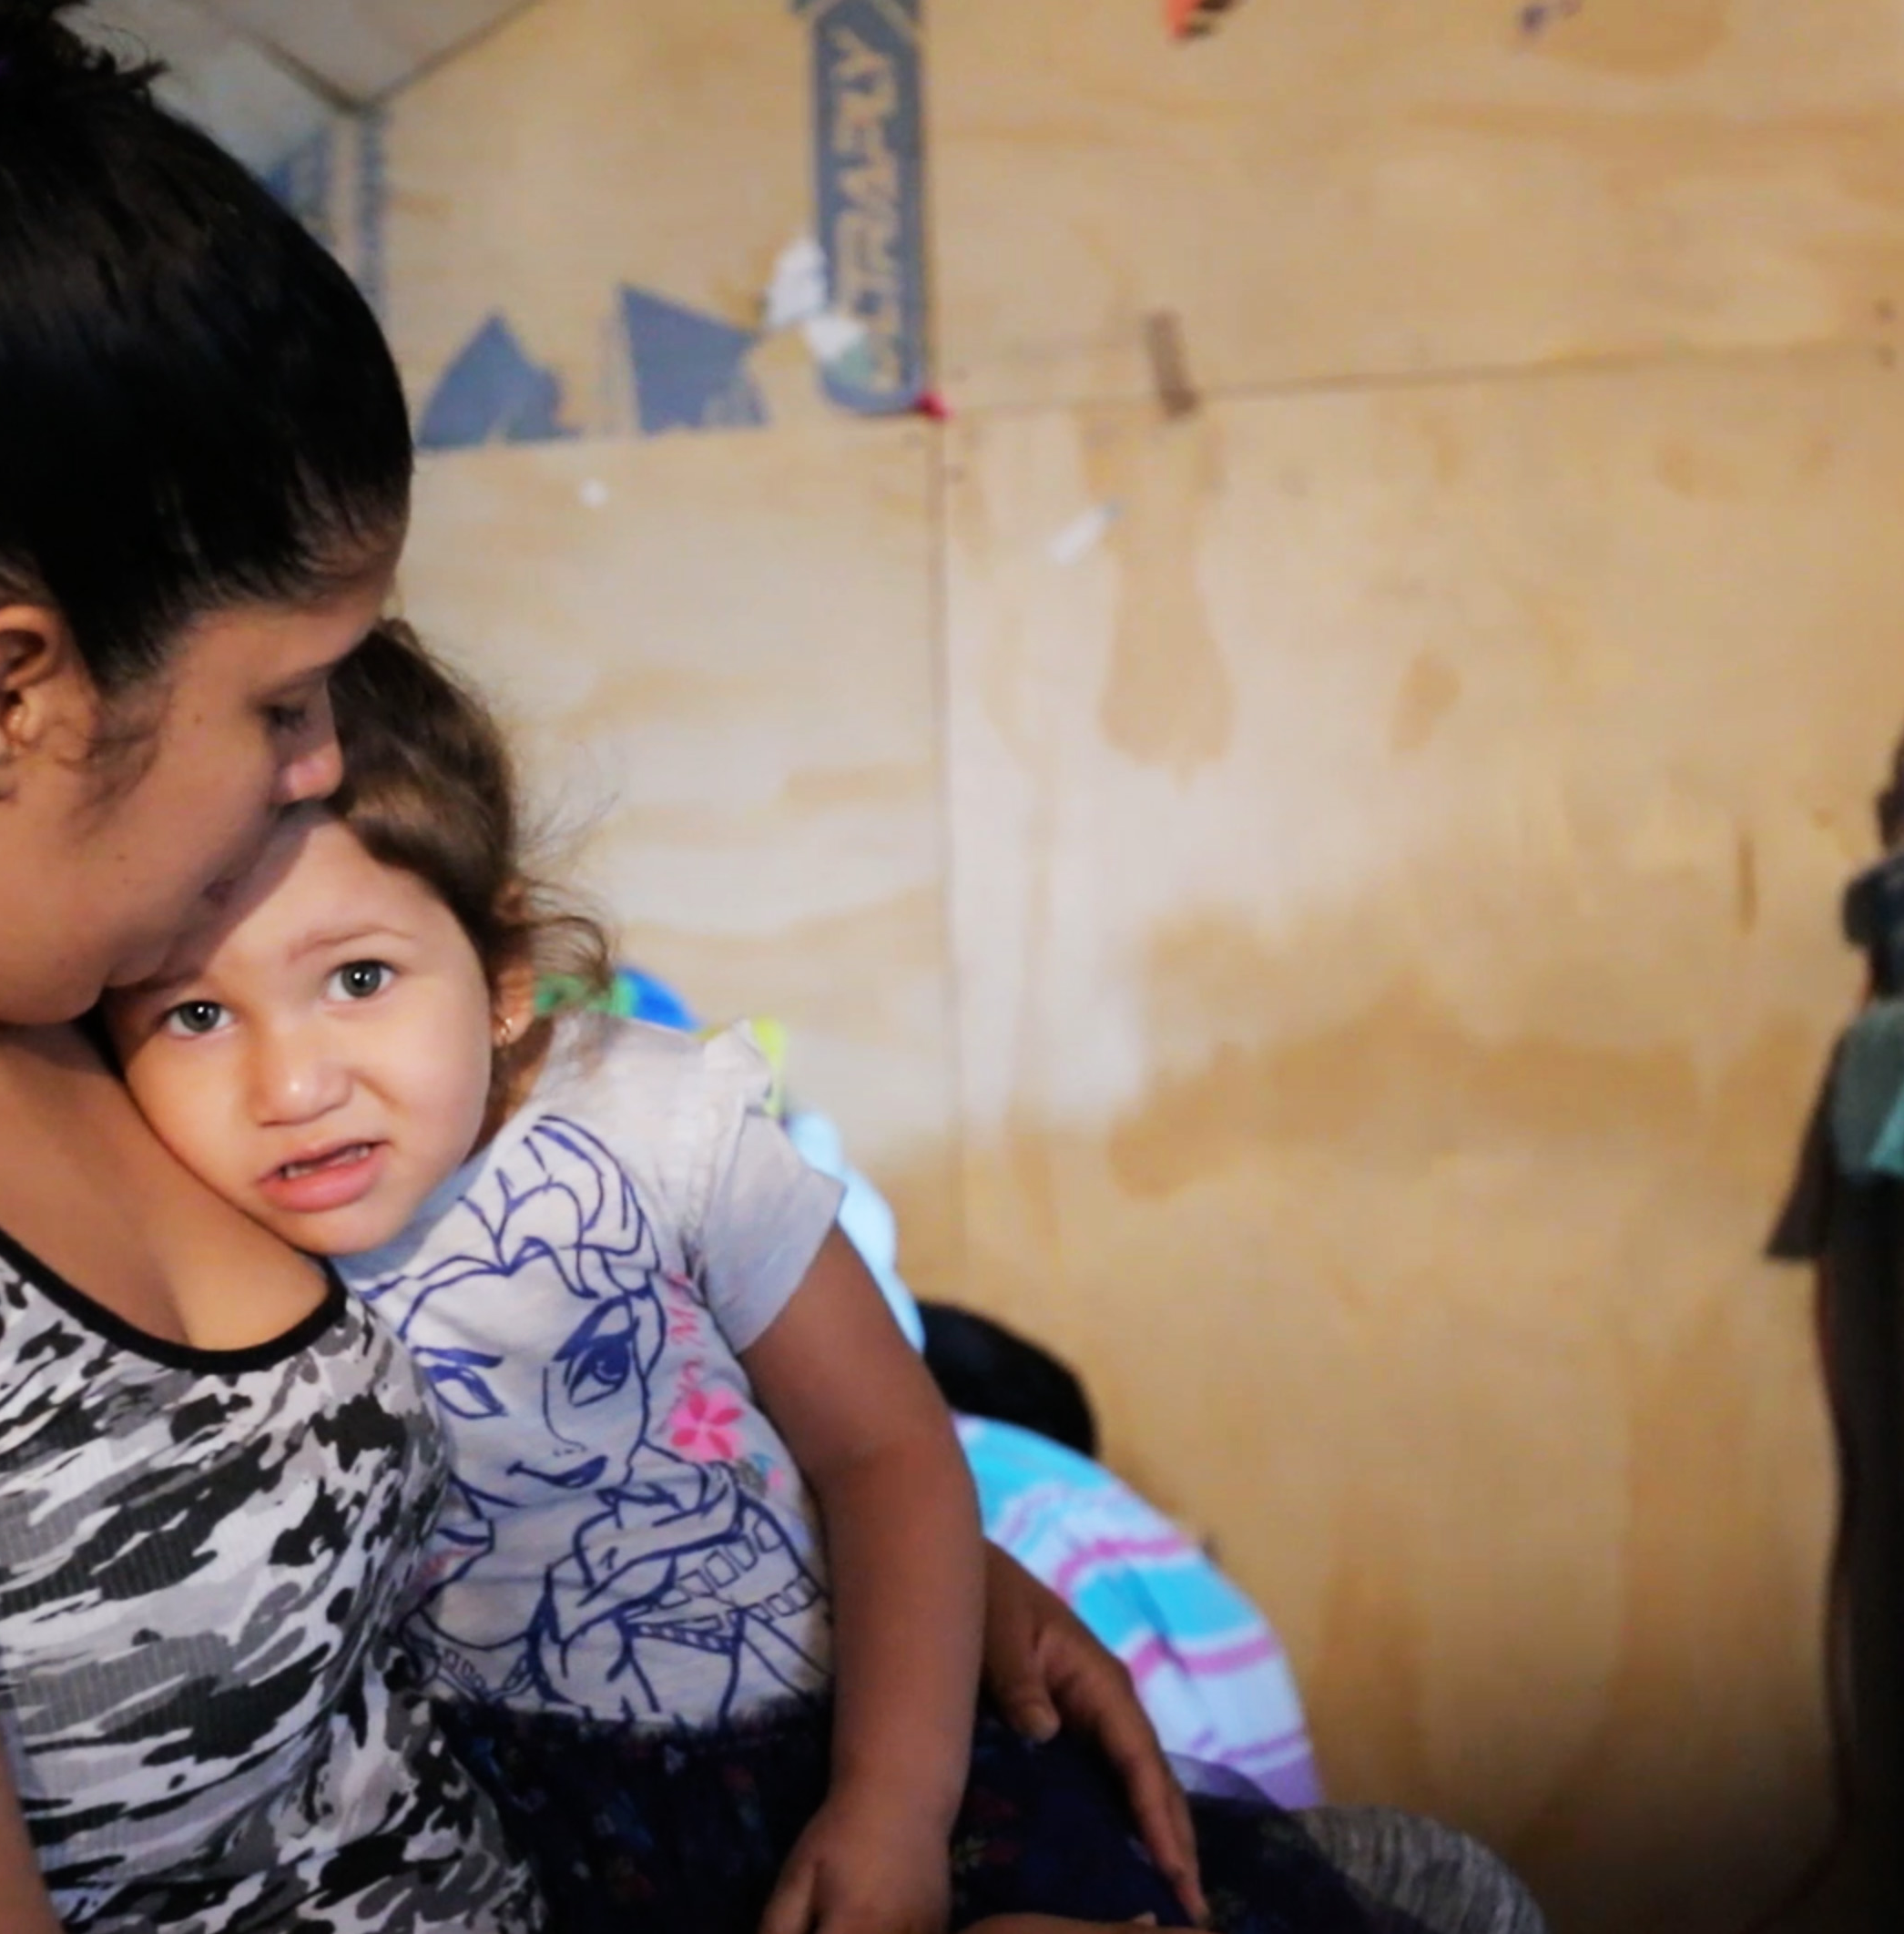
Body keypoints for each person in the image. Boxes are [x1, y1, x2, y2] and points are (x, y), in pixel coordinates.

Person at [0, 4, 1201, 1930]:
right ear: (11, 693)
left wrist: (879, 1619)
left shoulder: (35, 976)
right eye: (279, 698)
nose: (322, 767)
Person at [104, 626, 1395, 1934]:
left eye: (360, 978)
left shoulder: (657, 1123)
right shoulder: (178, 1229)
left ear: (501, 977)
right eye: (194, 1015)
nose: (291, 1086)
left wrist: (894, 1804)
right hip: (525, 1843)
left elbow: (886, 1448)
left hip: (842, 1747)